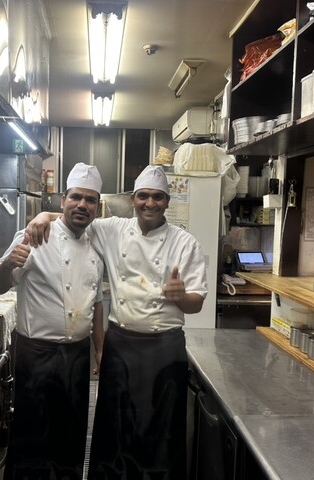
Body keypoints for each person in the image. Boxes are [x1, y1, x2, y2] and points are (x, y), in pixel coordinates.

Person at [26, 165, 208, 479]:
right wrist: (43, 216)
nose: (150, 203)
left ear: (167, 202)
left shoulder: (185, 243)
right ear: (133, 199)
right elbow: (75, 217)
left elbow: (197, 303)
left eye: (158, 197)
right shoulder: (113, 229)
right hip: (121, 345)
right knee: (116, 428)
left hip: (165, 348)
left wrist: (180, 297)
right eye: (143, 196)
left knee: (161, 430)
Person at [0, 162, 106, 480]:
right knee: (32, 439)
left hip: (77, 355)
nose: (82, 205)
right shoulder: (35, 235)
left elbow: (96, 303)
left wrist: (99, 349)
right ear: (63, 199)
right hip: (36, 354)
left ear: (97, 207)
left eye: (90, 199)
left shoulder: (97, 243)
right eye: (76, 197)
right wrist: (7, 263)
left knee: (71, 437)